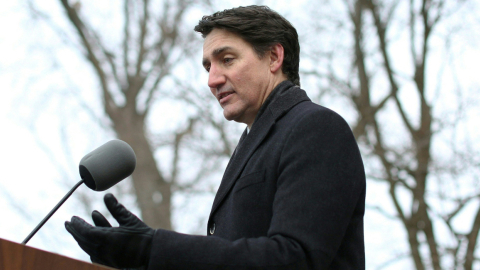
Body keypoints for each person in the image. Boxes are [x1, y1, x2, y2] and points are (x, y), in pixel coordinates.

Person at [65, 5, 366, 270]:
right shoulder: (250, 144)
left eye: (227, 59)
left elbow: (294, 258)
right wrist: (143, 261)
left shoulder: (316, 127)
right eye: (208, 66)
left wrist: (154, 249)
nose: (212, 80)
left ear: (274, 57)